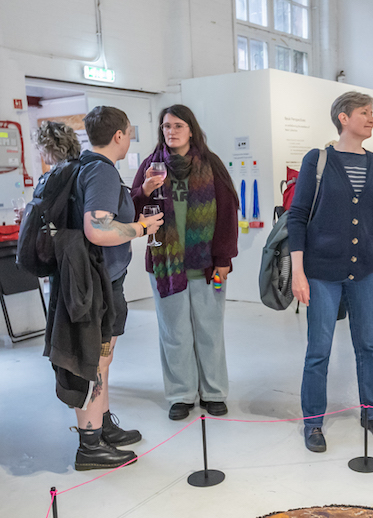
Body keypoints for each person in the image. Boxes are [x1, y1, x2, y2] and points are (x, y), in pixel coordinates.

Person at [288, 91, 373, 453]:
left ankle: (372, 411)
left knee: (368, 346)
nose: (371, 119)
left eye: (372, 114)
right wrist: (298, 273)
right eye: (364, 113)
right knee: (318, 349)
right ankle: (313, 422)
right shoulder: (317, 160)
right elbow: (298, 216)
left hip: (366, 270)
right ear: (343, 118)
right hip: (321, 270)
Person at [57, 107, 163, 470]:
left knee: (103, 358)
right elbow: (98, 228)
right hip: (95, 283)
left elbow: (107, 213)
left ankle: (100, 428)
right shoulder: (101, 171)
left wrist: (141, 193)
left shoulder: (88, 166)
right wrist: (142, 229)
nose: (130, 139)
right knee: (94, 361)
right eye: (130, 133)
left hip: (99, 280)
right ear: (119, 135)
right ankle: (90, 447)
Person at [132, 105, 239, 421]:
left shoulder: (211, 165)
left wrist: (223, 259)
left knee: (210, 329)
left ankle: (214, 392)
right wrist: (144, 190)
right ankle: (180, 394)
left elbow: (227, 214)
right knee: (173, 332)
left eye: (178, 125)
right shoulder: (151, 167)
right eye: (166, 126)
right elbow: (130, 207)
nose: (171, 131)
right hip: (165, 267)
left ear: (191, 129)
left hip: (208, 267)